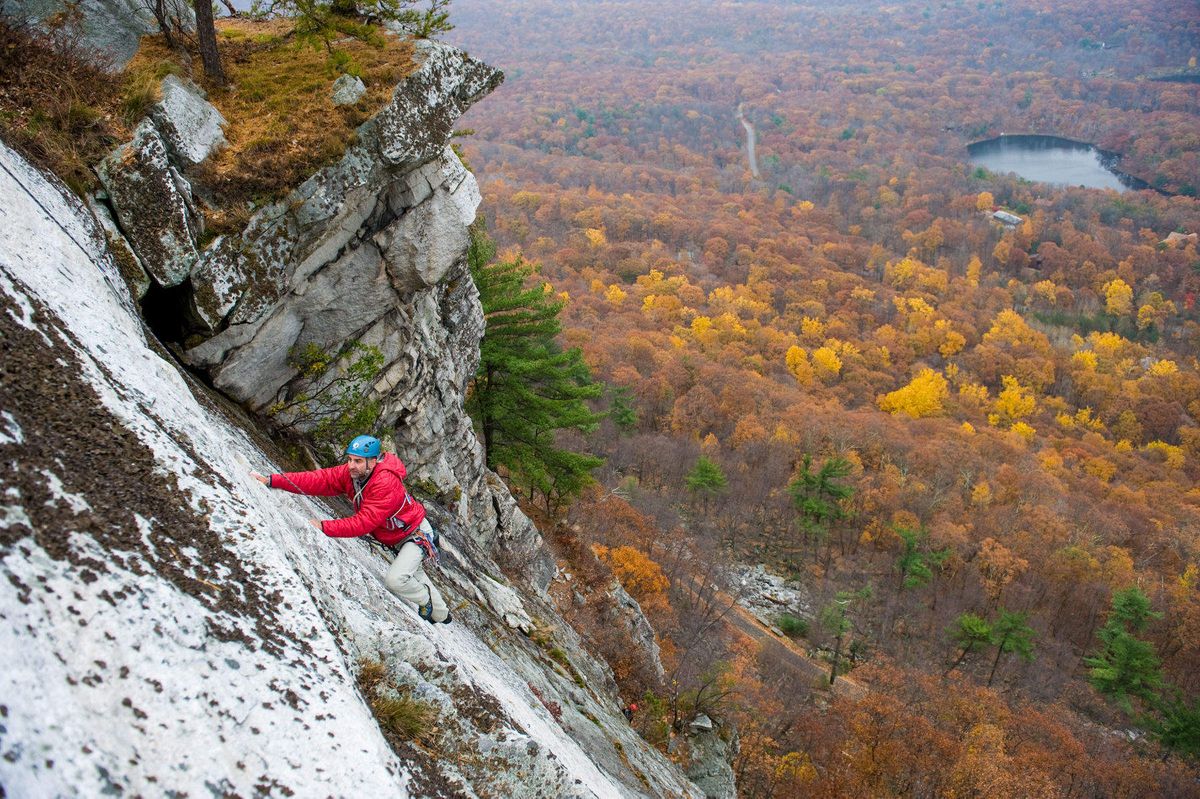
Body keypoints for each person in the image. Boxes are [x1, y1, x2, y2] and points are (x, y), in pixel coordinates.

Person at [251, 435, 451, 624]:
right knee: (413, 573)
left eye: (357, 461)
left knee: (396, 579)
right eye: (350, 460)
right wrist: (272, 480)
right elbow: (319, 479)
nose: (351, 466)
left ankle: (425, 599)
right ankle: (442, 615)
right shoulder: (354, 475)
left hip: (414, 534)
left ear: (372, 462)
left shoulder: (385, 482)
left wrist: (324, 526)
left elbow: (364, 522)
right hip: (397, 534)